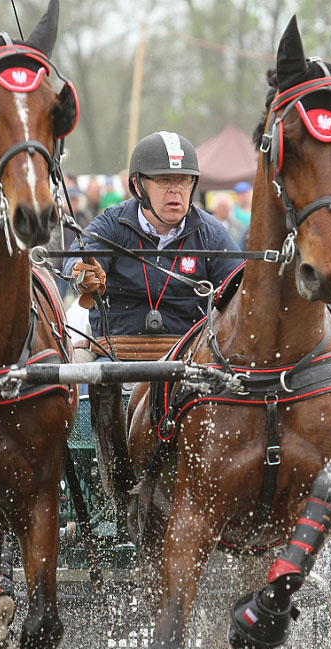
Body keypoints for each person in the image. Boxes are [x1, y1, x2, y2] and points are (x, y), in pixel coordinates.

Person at [62, 130, 244, 498]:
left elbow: (239, 289)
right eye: (164, 181)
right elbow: (78, 263)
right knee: (84, 375)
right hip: (116, 353)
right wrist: (85, 275)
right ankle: (117, 487)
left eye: (183, 181)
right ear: (137, 186)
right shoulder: (111, 223)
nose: (175, 192)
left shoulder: (211, 233)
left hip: (188, 359)